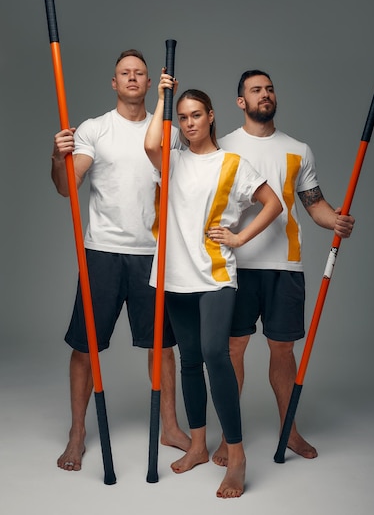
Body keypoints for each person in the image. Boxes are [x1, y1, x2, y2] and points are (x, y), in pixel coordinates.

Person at [51, 49, 190, 473]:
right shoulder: (95, 129)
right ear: (114, 83)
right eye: (124, 73)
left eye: (139, 74)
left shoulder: (167, 129)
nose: (132, 78)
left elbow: (188, 186)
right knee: (85, 346)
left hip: (154, 252)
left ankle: (169, 425)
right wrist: (59, 158)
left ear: (151, 84)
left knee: (164, 347)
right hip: (103, 252)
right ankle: (77, 433)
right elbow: (66, 188)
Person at [144, 73, 283, 498]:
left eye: (196, 115)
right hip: (172, 275)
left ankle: (236, 455)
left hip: (215, 275)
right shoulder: (172, 158)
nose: (188, 124)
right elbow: (151, 144)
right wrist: (164, 97)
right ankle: (199, 445)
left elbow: (273, 203)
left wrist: (240, 238)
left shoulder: (233, 164)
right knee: (188, 360)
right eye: (182, 117)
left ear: (211, 117)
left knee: (213, 354)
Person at [212, 69, 355, 466]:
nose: (265, 94)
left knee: (283, 349)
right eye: (256, 90)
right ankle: (229, 437)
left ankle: (289, 429)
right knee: (232, 349)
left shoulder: (298, 149)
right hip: (235, 266)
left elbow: (314, 204)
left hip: (285, 266)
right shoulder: (223, 147)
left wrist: (335, 219)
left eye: (269, 89)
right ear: (241, 102)